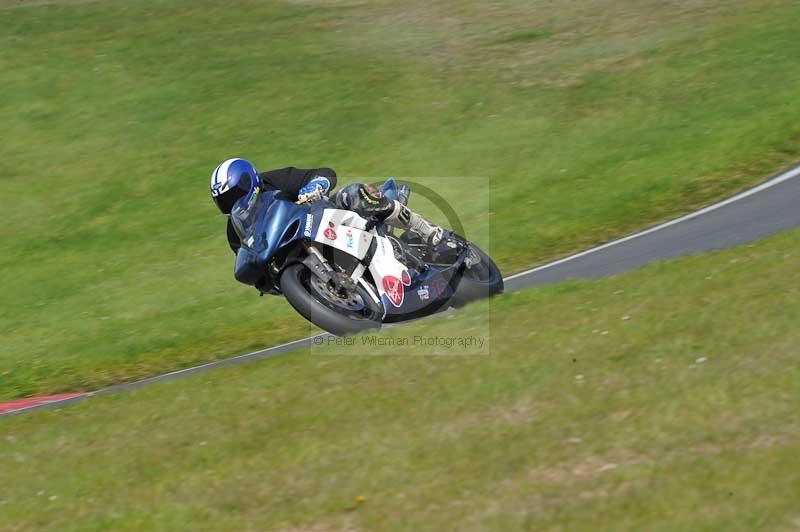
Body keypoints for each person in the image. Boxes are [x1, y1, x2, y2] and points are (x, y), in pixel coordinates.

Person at [210, 158, 443, 254]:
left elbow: (322, 173)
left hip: (326, 217)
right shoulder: (235, 234)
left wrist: (315, 186)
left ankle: (423, 227)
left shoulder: (273, 181)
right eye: (225, 201)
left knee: (354, 192)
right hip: (305, 253)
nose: (233, 203)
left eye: (236, 194)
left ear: (249, 181)